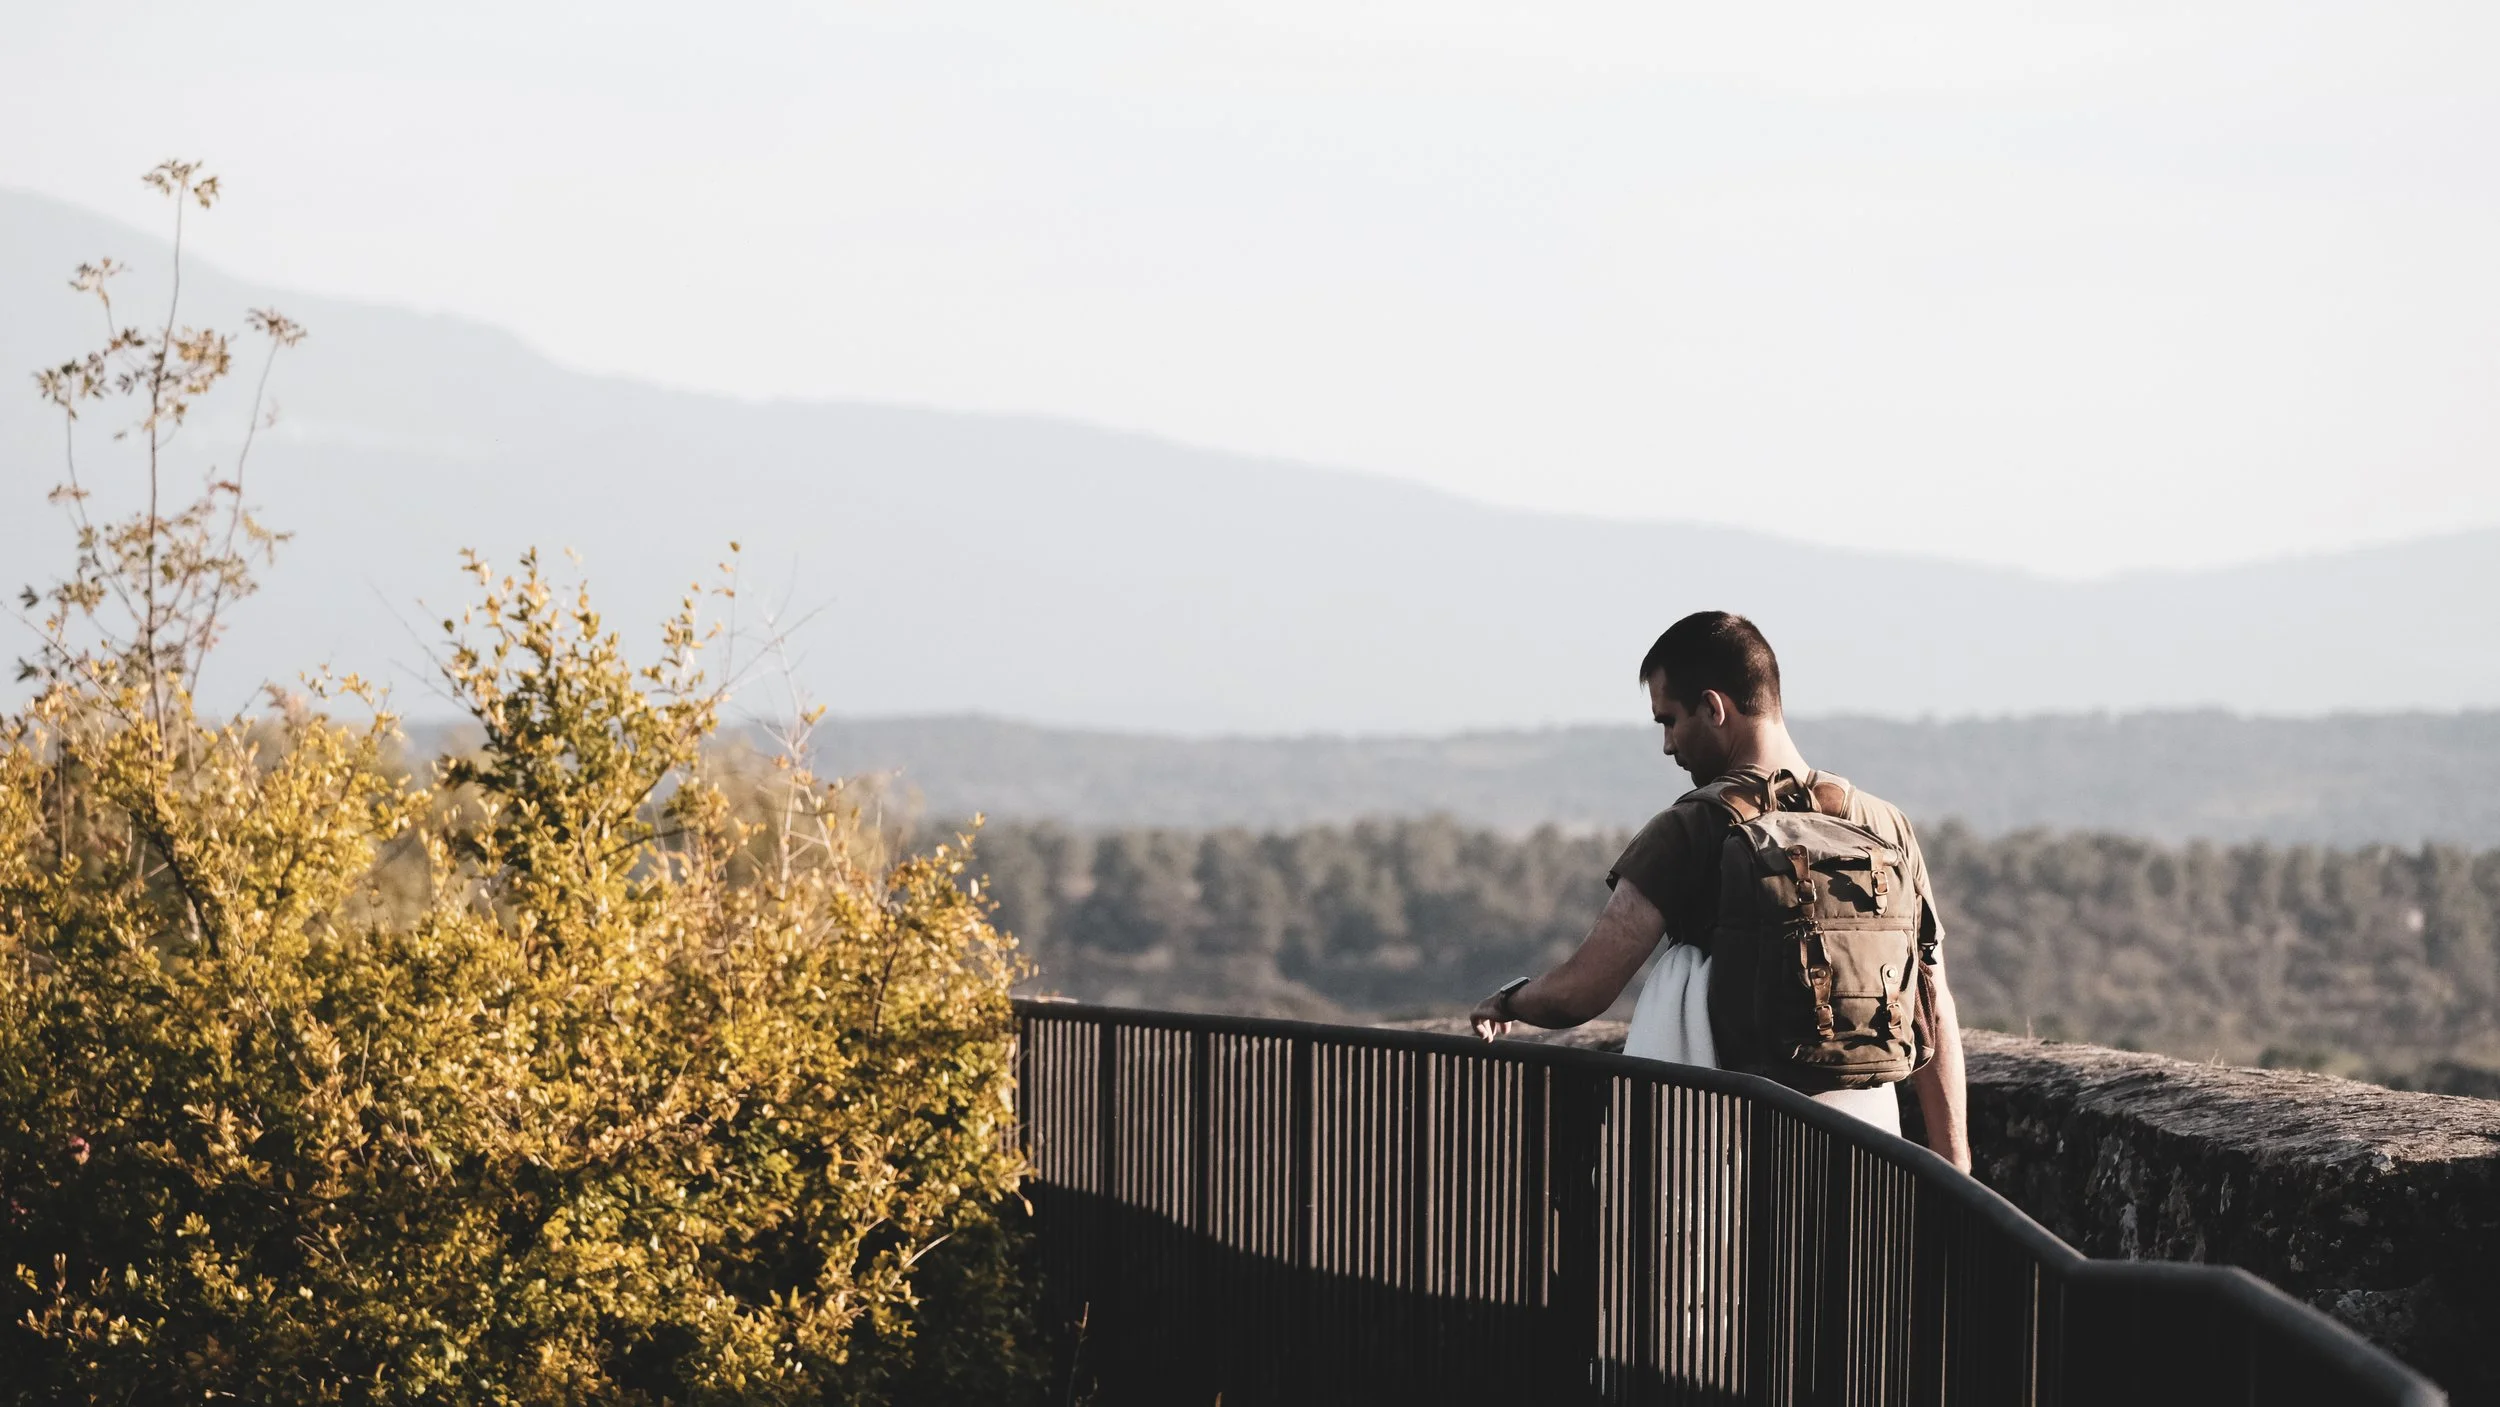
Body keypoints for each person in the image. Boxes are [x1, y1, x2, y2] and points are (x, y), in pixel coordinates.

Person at [1470, 611, 1970, 1170]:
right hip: (1858, 1146)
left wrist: (1509, 999)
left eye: (1669, 721)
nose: (1666, 745)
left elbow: (1583, 989)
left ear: (1714, 707)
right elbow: (1931, 1001)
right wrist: (1955, 1162)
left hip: (1721, 1155)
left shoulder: (1693, 828)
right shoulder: (1884, 825)